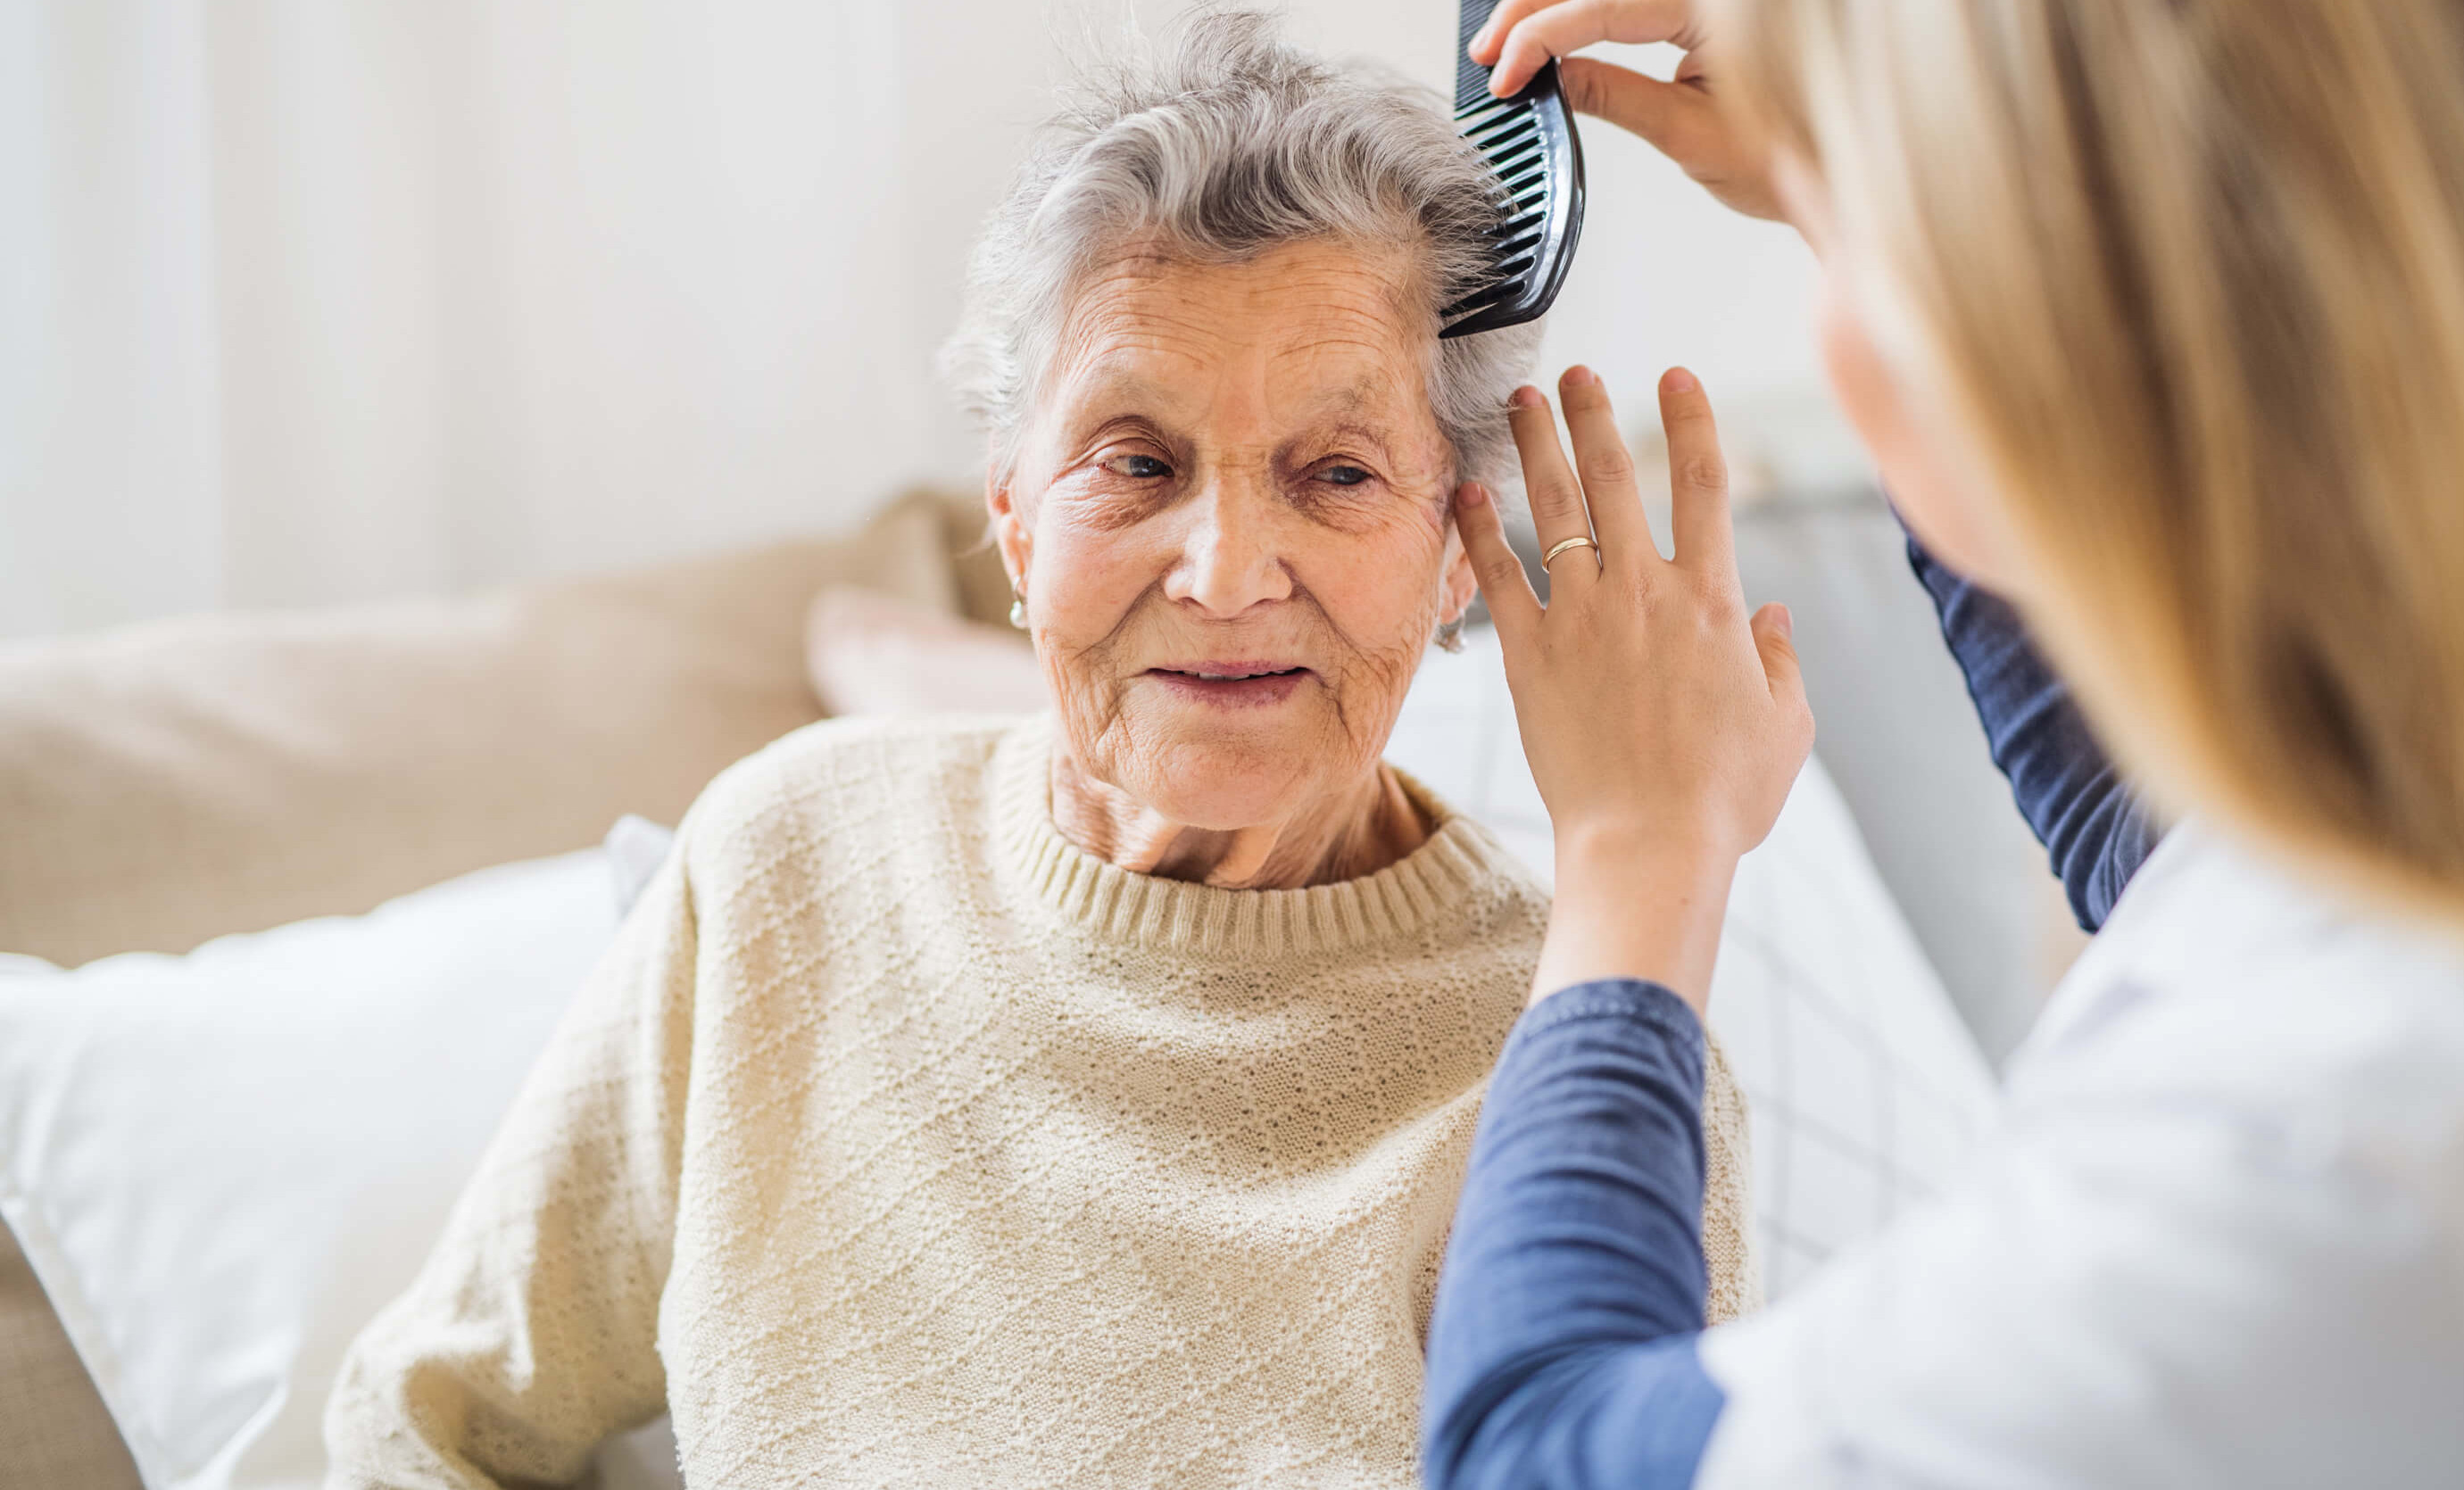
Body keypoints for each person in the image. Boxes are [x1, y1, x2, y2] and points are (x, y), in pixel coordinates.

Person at [321, 16, 1761, 1489]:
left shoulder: (1593, 1056)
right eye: (1138, 461)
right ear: (1014, 518)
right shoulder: (781, 871)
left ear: (1454, 553)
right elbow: (429, 1426)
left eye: (1336, 472)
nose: (1222, 570)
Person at [1419, 0, 2464, 1486]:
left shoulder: (2329, 1180)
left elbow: (1534, 1459)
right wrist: (1857, 208)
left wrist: (1636, 847)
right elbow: (2159, 857)